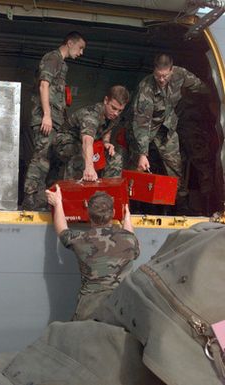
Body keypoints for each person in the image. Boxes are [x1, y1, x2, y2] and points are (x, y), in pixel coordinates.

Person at [45, 186, 140, 320]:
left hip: (89, 310)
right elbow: (129, 235)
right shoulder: (130, 240)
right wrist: (127, 218)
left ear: (89, 215)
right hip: (122, 310)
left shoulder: (81, 240)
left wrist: (58, 203)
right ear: (113, 212)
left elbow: (62, 231)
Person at [130, 53, 210, 212]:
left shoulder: (181, 75)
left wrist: (215, 100)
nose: (161, 79)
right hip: (145, 129)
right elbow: (141, 123)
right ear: (154, 71)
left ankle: (180, 207)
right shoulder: (146, 87)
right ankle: (133, 208)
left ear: (172, 70)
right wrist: (142, 153)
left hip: (166, 129)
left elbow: (202, 88)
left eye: (165, 75)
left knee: (175, 168)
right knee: (136, 170)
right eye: (158, 75)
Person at [22, 31, 86, 210]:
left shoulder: (61, 63)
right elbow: (44, 85)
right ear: (70, 43)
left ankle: (40, 199)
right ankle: (30, 197)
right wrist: (47, 115)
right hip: (46, 119)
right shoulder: (53, 58)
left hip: (55, 120)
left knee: (49, 159)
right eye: (80, 48)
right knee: (41, 157)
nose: (81, 53)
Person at [55, 85, 130, 181]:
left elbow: (108, 129)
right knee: (80, 155)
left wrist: (106, 142)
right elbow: (87, 141)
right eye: (113, 108)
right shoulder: (91, 116)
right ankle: (74, 191)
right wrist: (89, 167)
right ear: (106, 100)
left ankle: (107, 193)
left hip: (90, 143)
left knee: (115, 157)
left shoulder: (114, 116)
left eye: (120, 110)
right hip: (66, 141)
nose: (116, 113)